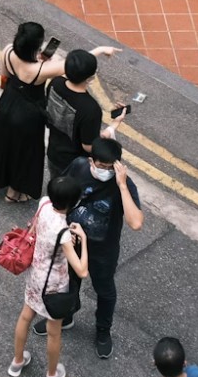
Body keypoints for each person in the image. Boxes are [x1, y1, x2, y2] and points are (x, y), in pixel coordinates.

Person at [0, 22, 83, 202]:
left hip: (7, 103)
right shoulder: (40, 68)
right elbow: (77, 64)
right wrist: (100, 50)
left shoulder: (8, 50)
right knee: (25, 152)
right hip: (29, 114)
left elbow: (3, 79)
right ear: (37, 45)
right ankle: (13, 193)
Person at [55, 136, 144, 361]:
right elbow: (60, 193)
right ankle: (67, 315)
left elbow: (136, 223)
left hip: (103, 250)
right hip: (72, 242)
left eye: (109, 168)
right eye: (100, 166)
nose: (104, 171)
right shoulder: (79, 166)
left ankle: (103, 330)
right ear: (90, 161)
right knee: (69, 281)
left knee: (104, 291)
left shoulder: (123, 184)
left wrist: (122, 185)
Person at [9, 174, 89, 377]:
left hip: (35, 275)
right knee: (54, 332)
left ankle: (17, 361)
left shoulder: (44, 203)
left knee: (25, 316)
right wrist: (83, 239)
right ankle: (51, 375)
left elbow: (36, 229)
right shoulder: (63, 232)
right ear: (73, 203)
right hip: (54, 285)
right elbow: (82, 270)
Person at [47, 48, 120, 188]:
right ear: (90, 78)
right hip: (74, 164)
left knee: (55, 186)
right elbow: (89, 146)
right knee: (70, 195)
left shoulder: (55, 83)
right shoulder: (90, 109)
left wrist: (99, 50)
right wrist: (113, 126)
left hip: (53, 152)